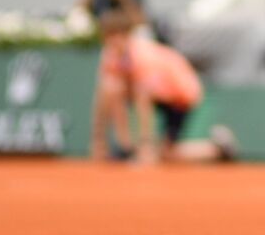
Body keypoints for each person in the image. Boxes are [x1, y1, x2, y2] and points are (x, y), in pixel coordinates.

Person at [90, 10, 235, 164]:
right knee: (112, 87)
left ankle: (217, 150)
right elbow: (105, 93)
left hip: (181, 97)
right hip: (161, 96)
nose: (112, 42)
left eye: (116, 35)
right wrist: (98, 140)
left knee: (166, 153)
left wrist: (146, 147)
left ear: (127, 35)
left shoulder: (142, 56)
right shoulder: (110, 55)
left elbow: (144, 97)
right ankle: (125, 148)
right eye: (108, 37)